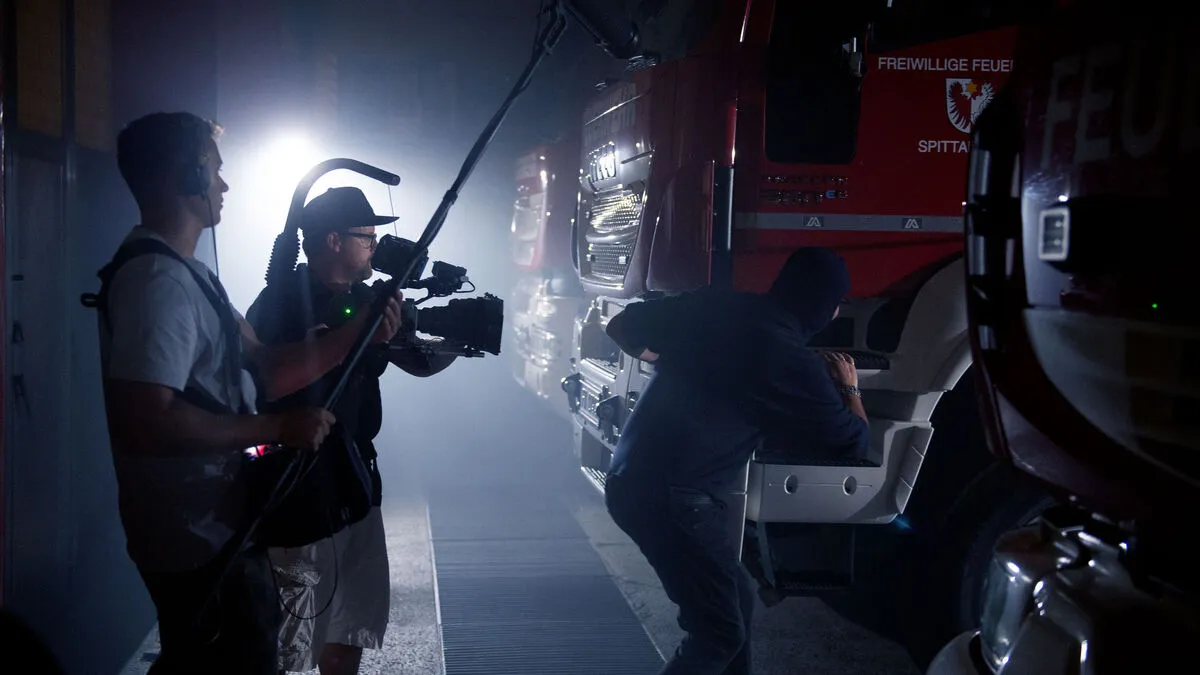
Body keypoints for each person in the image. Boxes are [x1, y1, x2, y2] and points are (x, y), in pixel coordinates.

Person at [97, 112, 404, 675]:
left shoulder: (191, 274)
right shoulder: (156, 283)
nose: (223, 184)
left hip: (224, 524)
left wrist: (351, 336)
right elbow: (146, 421)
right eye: (212, 170)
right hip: (191, 536)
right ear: (184, 176)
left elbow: (264, 367)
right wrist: (276, 428)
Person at [602, 246, 869, 675]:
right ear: (824, 306)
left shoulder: (717, 306)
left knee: (736, 600)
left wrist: (669, 362)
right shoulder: (791, 360)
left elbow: (621, 325)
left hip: (630, 477)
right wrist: (848, 387)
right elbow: (851, 443)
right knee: (718, 634)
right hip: (674, 500)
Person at [245, 187, 458, 675]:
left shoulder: (366, 298)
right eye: (368, 236)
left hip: (354, 487)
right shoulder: (280, 302)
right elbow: (266, 385)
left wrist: (456, 339)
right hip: (297, 493)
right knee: (289, 638)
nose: (377, 246)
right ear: (335, 241)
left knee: (348, 623)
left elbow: (415, 362)